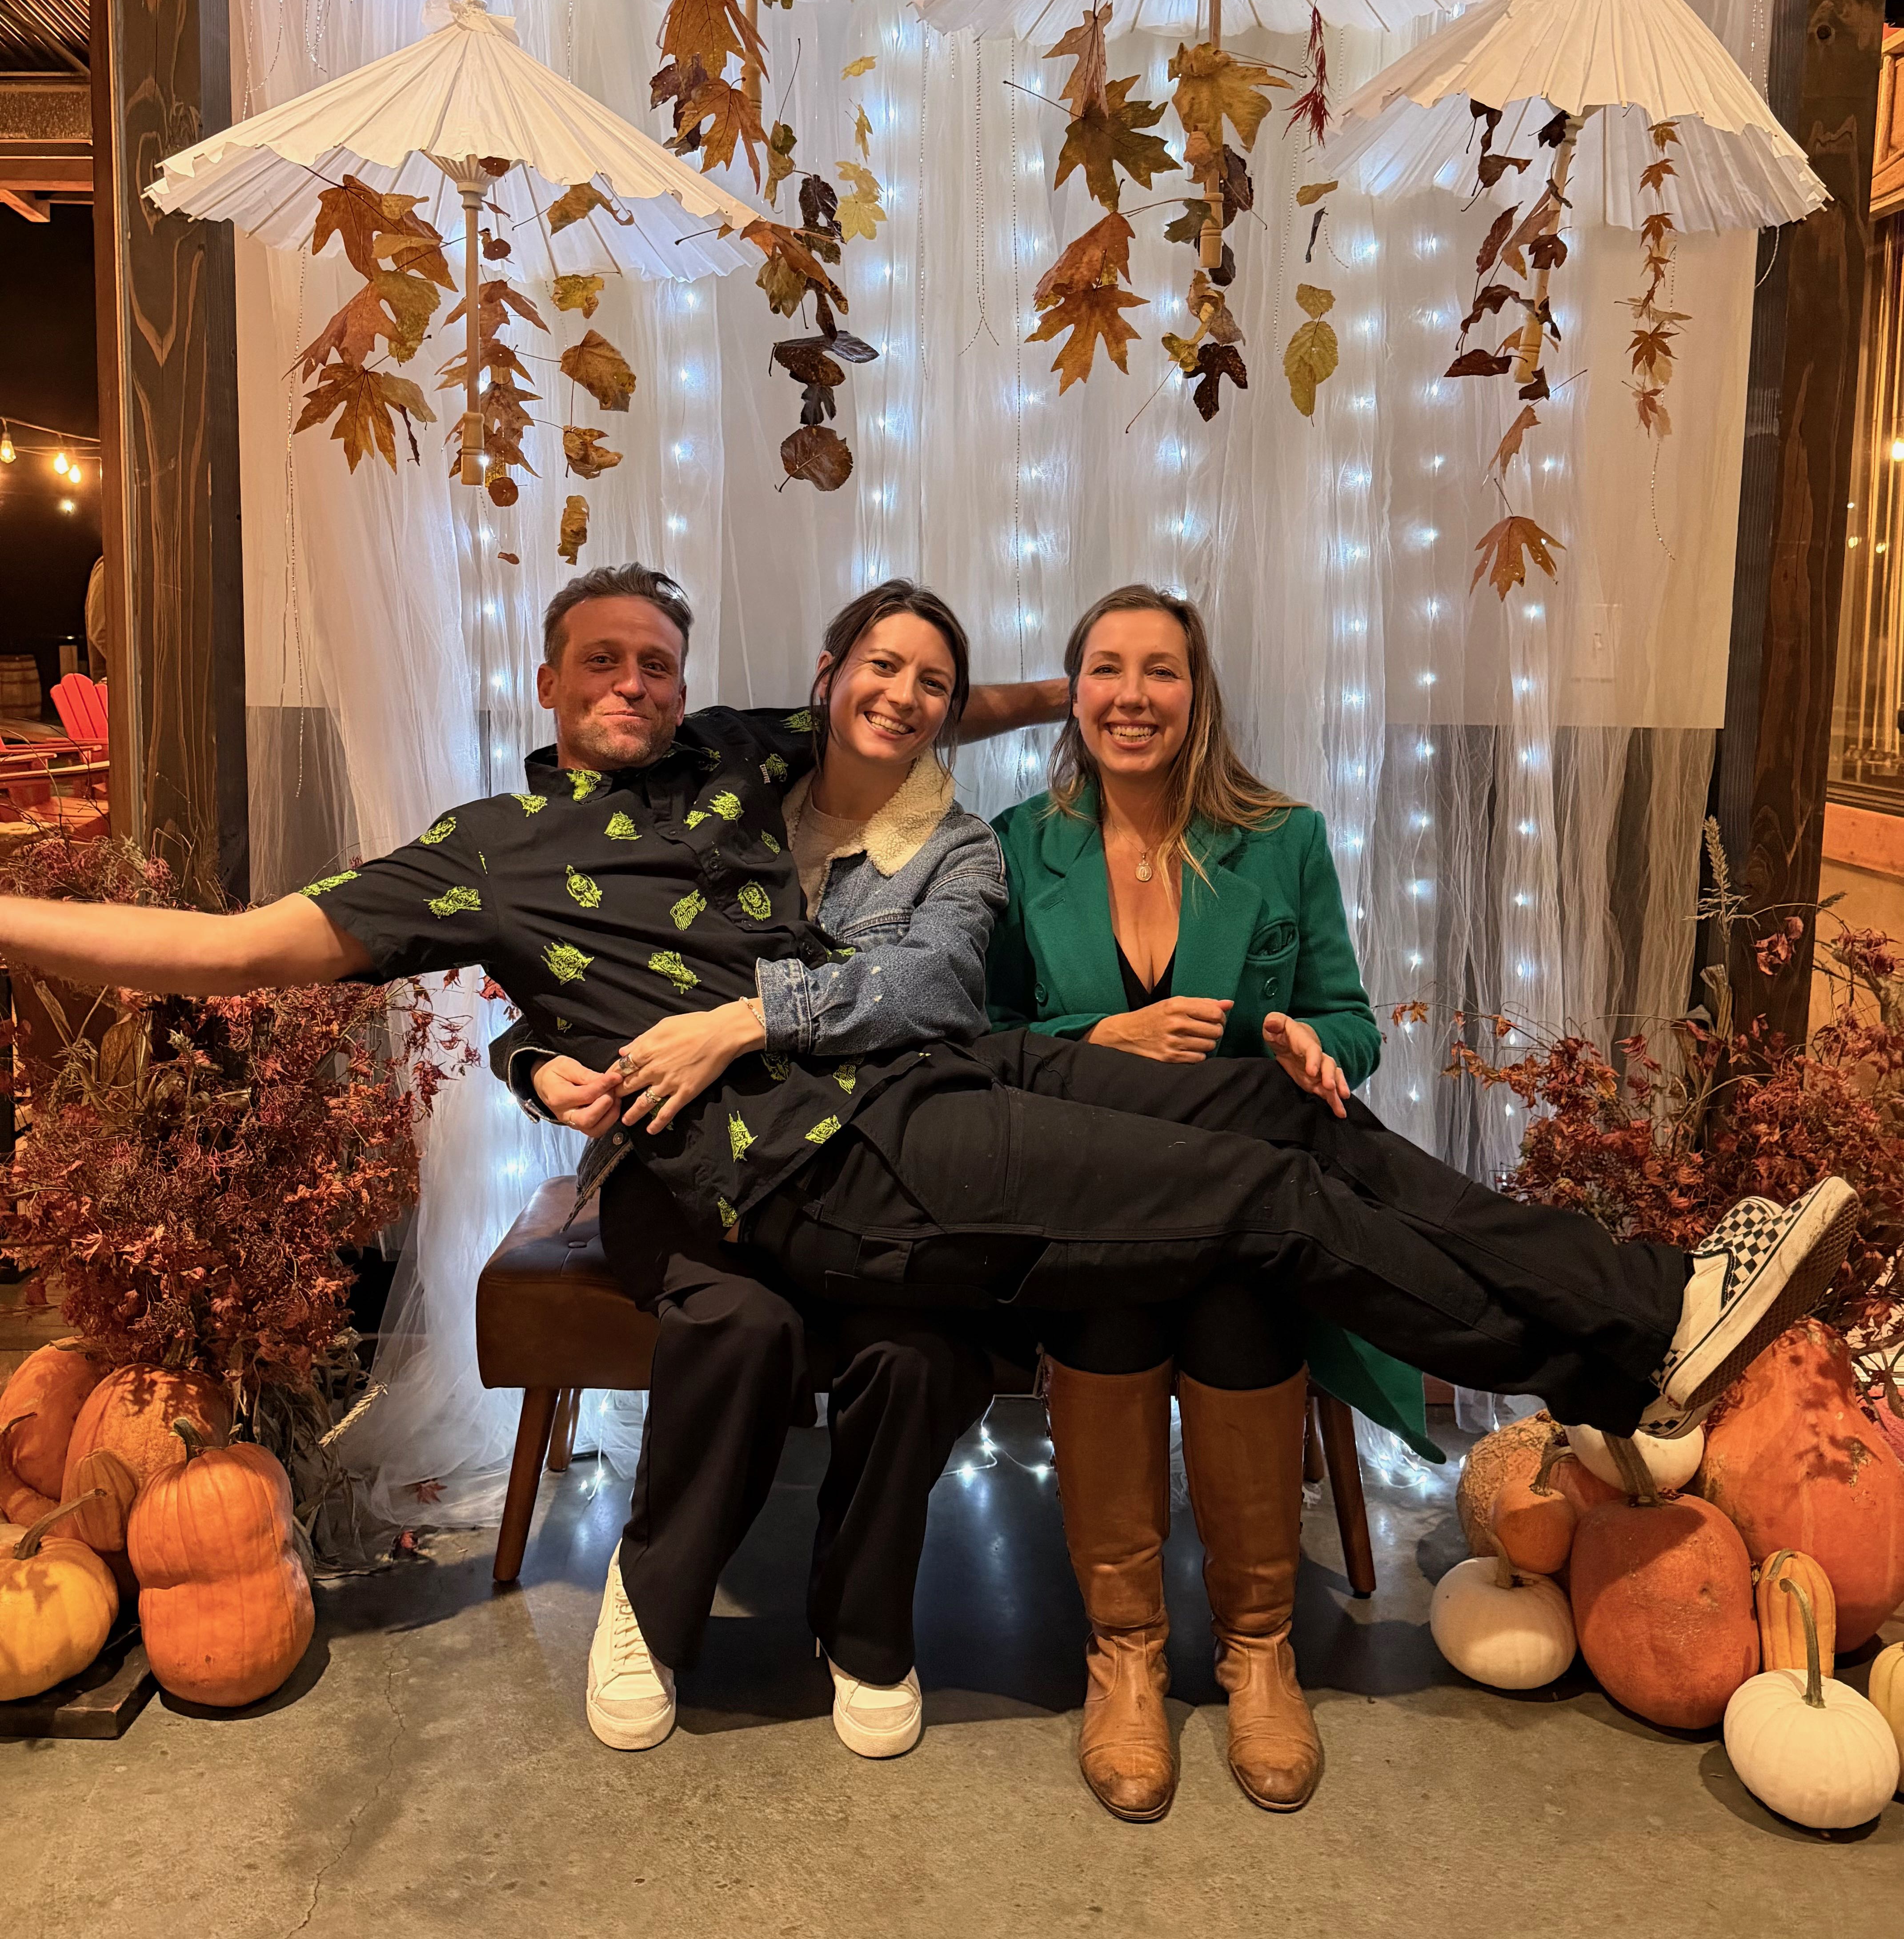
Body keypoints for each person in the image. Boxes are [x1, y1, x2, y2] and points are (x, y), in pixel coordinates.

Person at [0, 559, 1856, 1791]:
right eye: (609, 663)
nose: (644, 684)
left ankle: (1646, 1312)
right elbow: (235, 949)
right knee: (1268, 1212)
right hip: (818, 1166)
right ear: (550, 683)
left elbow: (906, 714)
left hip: (915, 1083)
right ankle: (1608, 1359)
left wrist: (1088, 682)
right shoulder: (482, 852)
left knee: (1287, 1118)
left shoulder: (729, 764)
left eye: (662, 657)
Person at [495, 575, 1050, 1759]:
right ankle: (649, 1606)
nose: (900, 696)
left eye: (934, 684)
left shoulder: (960, 851)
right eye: (879, 666)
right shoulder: (718, 788)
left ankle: (862, 1623)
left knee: (919, 1352)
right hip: (684, 1173)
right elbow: (573, 957)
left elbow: (936, 984)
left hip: (869, 1168)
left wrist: (750, 1017)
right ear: (826, 677)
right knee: (739, 1321)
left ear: (953, 711)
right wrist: (533, 1057)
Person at [987, 584, 1431, 1821]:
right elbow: (985, 1037)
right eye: (1109, 670)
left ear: (1198, 692)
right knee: (1109, 1316)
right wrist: (1104, 1036)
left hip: (1242, 1184)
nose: (1135, 696)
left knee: (1245, 1312)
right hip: (1091, 1186)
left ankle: (1256, 1648)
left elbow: (1348, 1016)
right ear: (1073, 695)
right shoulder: (1020, 843)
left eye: (1161, 671)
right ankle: (1123, 1652)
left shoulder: (1281, 835)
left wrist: (1309, 1043)